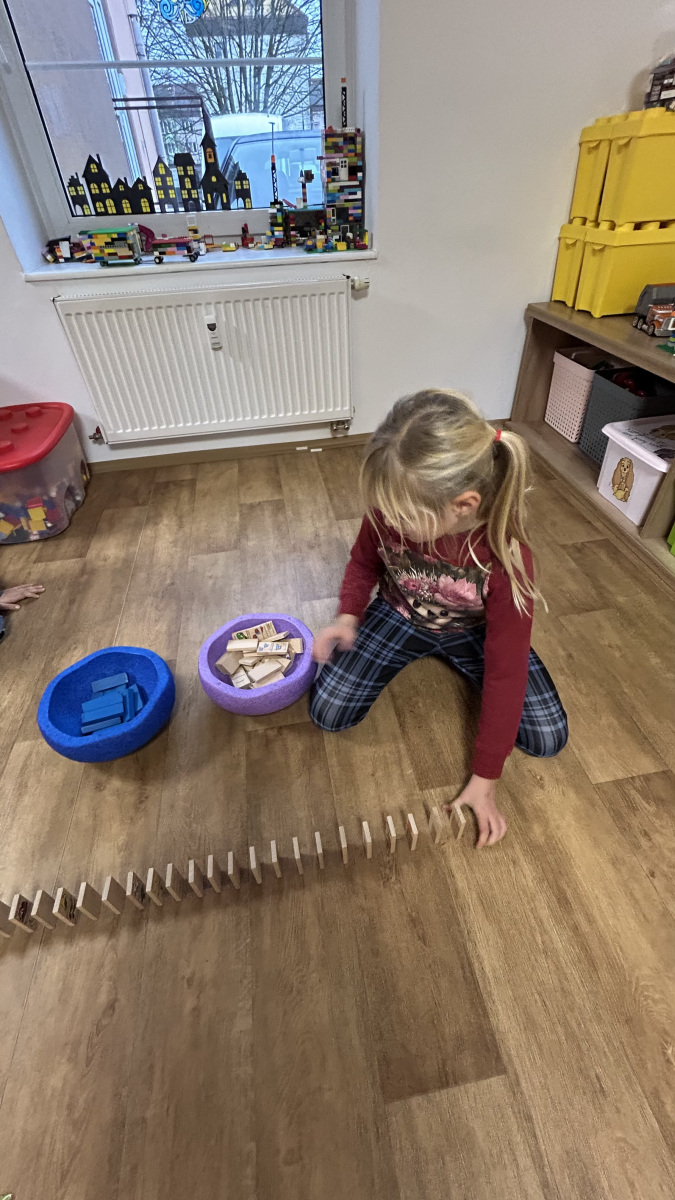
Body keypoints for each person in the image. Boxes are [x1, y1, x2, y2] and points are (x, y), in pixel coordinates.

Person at [310, 390, 568, 848]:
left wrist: (485, 778)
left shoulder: (506, 559)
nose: (390, 521)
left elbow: (506, 673)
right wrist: (348, 615)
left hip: (474, 632)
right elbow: (363, 562)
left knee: (548, 737)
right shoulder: (392, 505)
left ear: (464, 505)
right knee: (328, 713)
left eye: (404, 518)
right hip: (399, 614)